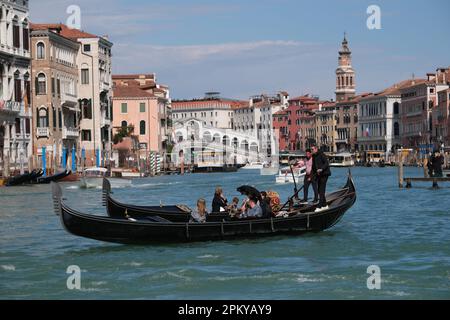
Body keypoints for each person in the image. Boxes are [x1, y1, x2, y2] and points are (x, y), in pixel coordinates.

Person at [312, 145, 331, 212]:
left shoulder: (322, 154)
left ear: (316, 149)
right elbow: (314, 166)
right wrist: (313, 175)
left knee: (322, 190)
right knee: (320, 190)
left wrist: (321, 169)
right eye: (311, 149)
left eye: (313, 149)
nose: (312, 150)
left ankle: (319, 206)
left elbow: (326, 163)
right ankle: (325, 205)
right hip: (319, 175)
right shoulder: (314, 156)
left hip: (325, 174)